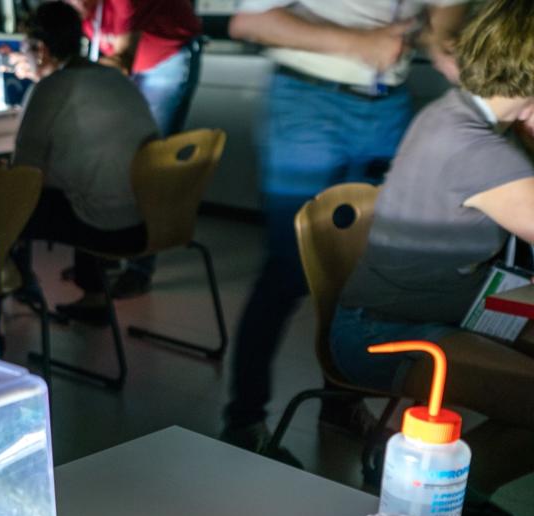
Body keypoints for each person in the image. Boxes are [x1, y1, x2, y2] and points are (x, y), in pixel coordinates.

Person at [220, 0, 468, 454]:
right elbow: (249, 21)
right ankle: (244, 419)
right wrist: (361, 42)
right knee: (288, 269)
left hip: (389, 103)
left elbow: (445, 9)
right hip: (309, 100)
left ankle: (340, 403)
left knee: (370, 269)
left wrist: (443, 40)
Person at [331, 0, 534, 433]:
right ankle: (461, 493)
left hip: (403, 311)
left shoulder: (455, 110)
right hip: (384, 336)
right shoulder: (482, 151)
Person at [11, 1, 158, 325]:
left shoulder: (51, 87)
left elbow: (23, 175)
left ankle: (16, 287)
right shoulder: (115, 78)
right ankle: (94, 298)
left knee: (2, 204)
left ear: (42, 49)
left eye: (26, 50)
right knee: (88, 187)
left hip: (104, 229)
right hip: (148, 220)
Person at [64, 0, 203, 298]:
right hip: (127, 64)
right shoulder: (84, 10)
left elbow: (122, 59)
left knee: (150, 163)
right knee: (108, 159)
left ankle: (140, 269)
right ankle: (105, 252)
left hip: (164, 61)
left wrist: (60, 75)